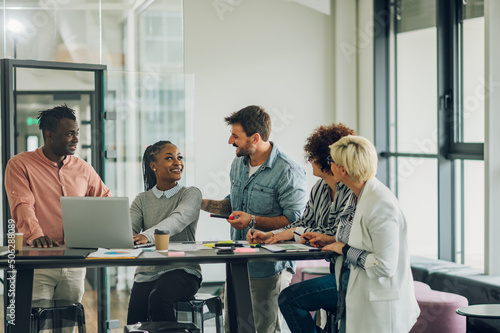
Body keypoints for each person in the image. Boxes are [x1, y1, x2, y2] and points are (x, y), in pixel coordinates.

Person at [201, 105, 307, 333]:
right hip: (237, 264)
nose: (230, 140)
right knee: (235, 328)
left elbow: (296, 221)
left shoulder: (288, 171)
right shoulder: (238, 164)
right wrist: (198, 202)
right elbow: (233, 205)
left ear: (255, 137)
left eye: (235, 135)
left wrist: (253, 220)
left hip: (269, 268)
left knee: (263, 329)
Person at [301, 135, 419, 332]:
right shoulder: (356, 195)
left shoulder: (381, 204)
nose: (328, 165)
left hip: (379, 306)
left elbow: (384, 266)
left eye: (331, 161)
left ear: (342, 169)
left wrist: (344, 249)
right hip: (353, 295)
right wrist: (331, 240)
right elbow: (360, 239)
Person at [4, 104, 111, 302]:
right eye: (70, 134)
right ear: (49, 135)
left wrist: (113, 233)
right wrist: (36, 235)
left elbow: (105, 201)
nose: (76, 139)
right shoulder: (20, 164)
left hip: (74, 260)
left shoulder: (83, 168)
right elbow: (22, 205)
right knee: (36, 321)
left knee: (67, 323)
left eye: (77, 133)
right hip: (37, 258)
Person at [126, 140, 202, 324]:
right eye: (169, 158)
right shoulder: (142, 200)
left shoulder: (191, 194)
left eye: (179, 157)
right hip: (147, 272)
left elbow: (178, 219)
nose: (178, 162)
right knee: (135, 321)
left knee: (158, 299)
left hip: (183, 270)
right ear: (154, 166)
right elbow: (129, 231)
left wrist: (147, 236)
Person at [247, 123, 356, 246]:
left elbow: (336, 233)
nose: (310, 160)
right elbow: (305, 222)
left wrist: (294, 232)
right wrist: (272, 234)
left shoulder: (351, 190)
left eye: (314, 155)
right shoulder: (319, 187)